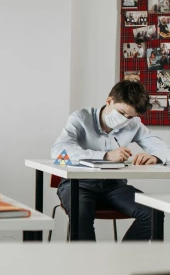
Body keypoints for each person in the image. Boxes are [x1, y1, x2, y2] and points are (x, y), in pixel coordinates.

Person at [51, 80, 170, 241]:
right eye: (121, 113)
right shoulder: (80, 118)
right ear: (109, 101)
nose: (125, 120)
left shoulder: (133, 124)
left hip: (114, 186)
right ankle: (86, 265)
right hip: (78, 184)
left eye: (130, 116)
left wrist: (155, 156)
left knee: (153, 213)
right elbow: (58, 152)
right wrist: (105, 156)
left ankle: (122, 262)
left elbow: (164, 150)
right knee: (81, 214)